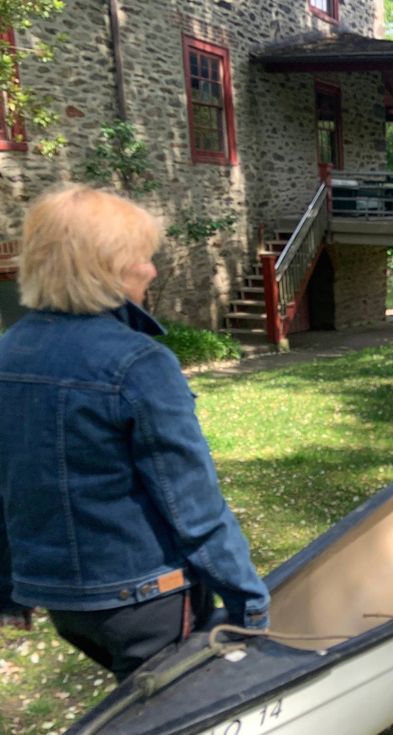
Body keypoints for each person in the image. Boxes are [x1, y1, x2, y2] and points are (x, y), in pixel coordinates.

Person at [0, 184, 269, 680]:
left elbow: (8, 484)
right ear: (108, 268)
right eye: (143, 258)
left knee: (137, 706)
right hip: (144, 599)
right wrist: (248, 602)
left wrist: (8, 591)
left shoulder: (7, 351)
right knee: (175, 710)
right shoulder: (139, 363)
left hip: (64, 605)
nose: (152, 270)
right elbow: (192, 504)